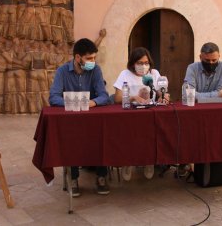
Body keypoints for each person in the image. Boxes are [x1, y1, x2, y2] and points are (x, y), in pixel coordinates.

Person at [49, 38, 110, 197]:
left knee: (102, 136)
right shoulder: (62, 71)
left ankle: (101, 176)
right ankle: (73, 178)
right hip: (71, 119)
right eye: (89, 58)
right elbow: (53, 97)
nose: (93, 61)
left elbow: (104, 95)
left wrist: (93, 102)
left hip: (92, 118)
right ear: (77, 58)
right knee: (71, 139)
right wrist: (74, 103)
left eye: (94, 58)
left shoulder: (96, 70)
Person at [113, 47, 168, 181]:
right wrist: (133, 97)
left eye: (146, 62)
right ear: (133, 63)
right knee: (130, 134)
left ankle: (149, 162)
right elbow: (117, 98)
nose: (144, 66)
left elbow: (162, 92)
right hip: (130, 116)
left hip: (149, 114)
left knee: (153, 133)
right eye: (140, 63)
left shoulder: (154, 73)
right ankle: (127, 162)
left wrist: (164, 96)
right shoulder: (125, 74)